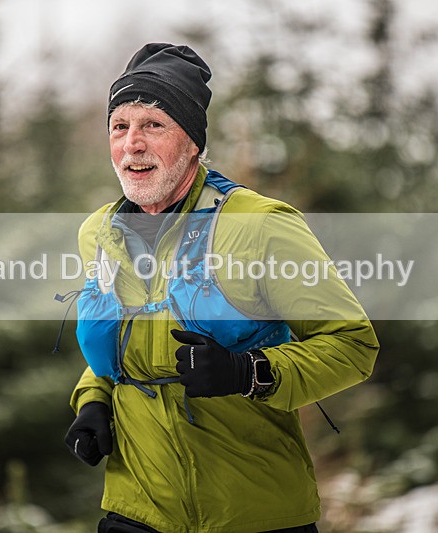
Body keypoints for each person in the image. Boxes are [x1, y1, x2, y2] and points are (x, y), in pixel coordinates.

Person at [63, 43, 379, 533]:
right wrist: (93, 401)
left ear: (193, 143)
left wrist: (246, 371)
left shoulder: (260, 225)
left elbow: (353, 345)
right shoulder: (98, 233)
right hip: (136, 510)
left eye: (154, 125)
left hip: (254, 513)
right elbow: (122, 341)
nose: (132, 144)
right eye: (120, 126)